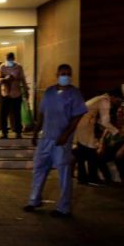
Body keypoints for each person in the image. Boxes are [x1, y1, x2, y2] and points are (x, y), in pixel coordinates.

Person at [23, 65, 87, 218]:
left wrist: (66, 135)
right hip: (46, 138)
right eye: (62, 74)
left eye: (68, 74)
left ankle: (64, 207)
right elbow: (42, 114)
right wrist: (35, 133)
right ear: (57, 74)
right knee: (39, 168)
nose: (65, 76)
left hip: (61, 140)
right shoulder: (49, 92)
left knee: (63, 173)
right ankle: (34, 199)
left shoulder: (74, 94)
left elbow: (77, 117)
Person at [73, 89, 123, 185]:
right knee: (91, 151)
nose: (118, 103)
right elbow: (105, 121)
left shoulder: (99, 99)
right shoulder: (105, 100)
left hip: (81, 124)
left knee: (82, 151)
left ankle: (82, 177)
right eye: (118, 100)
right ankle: (92, 177)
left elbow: (101, 121)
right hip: (85, 125)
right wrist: (116, 131)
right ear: (114, 97)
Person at [97, 105, 124, 183]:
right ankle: (108, 178)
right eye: (119, 112)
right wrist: (101, 147)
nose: (120, 114)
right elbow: (103, 137)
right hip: (110, 148)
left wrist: (121, 150)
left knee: (121, 158)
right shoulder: (112, 124)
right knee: (98, 157)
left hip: (121, 147)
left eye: (122, 112)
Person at [0, 52, 28, 139]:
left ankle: (18, 132)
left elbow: (23, 79)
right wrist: (4, 79)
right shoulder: (2, 67)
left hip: (16, 93)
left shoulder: (18, 67)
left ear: (13, 58)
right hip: (5, 94)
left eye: (10, 59)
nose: (9, 61)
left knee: (17, 113)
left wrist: (26, 90)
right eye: (7, 59)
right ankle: (4, 132)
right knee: (4, 114)